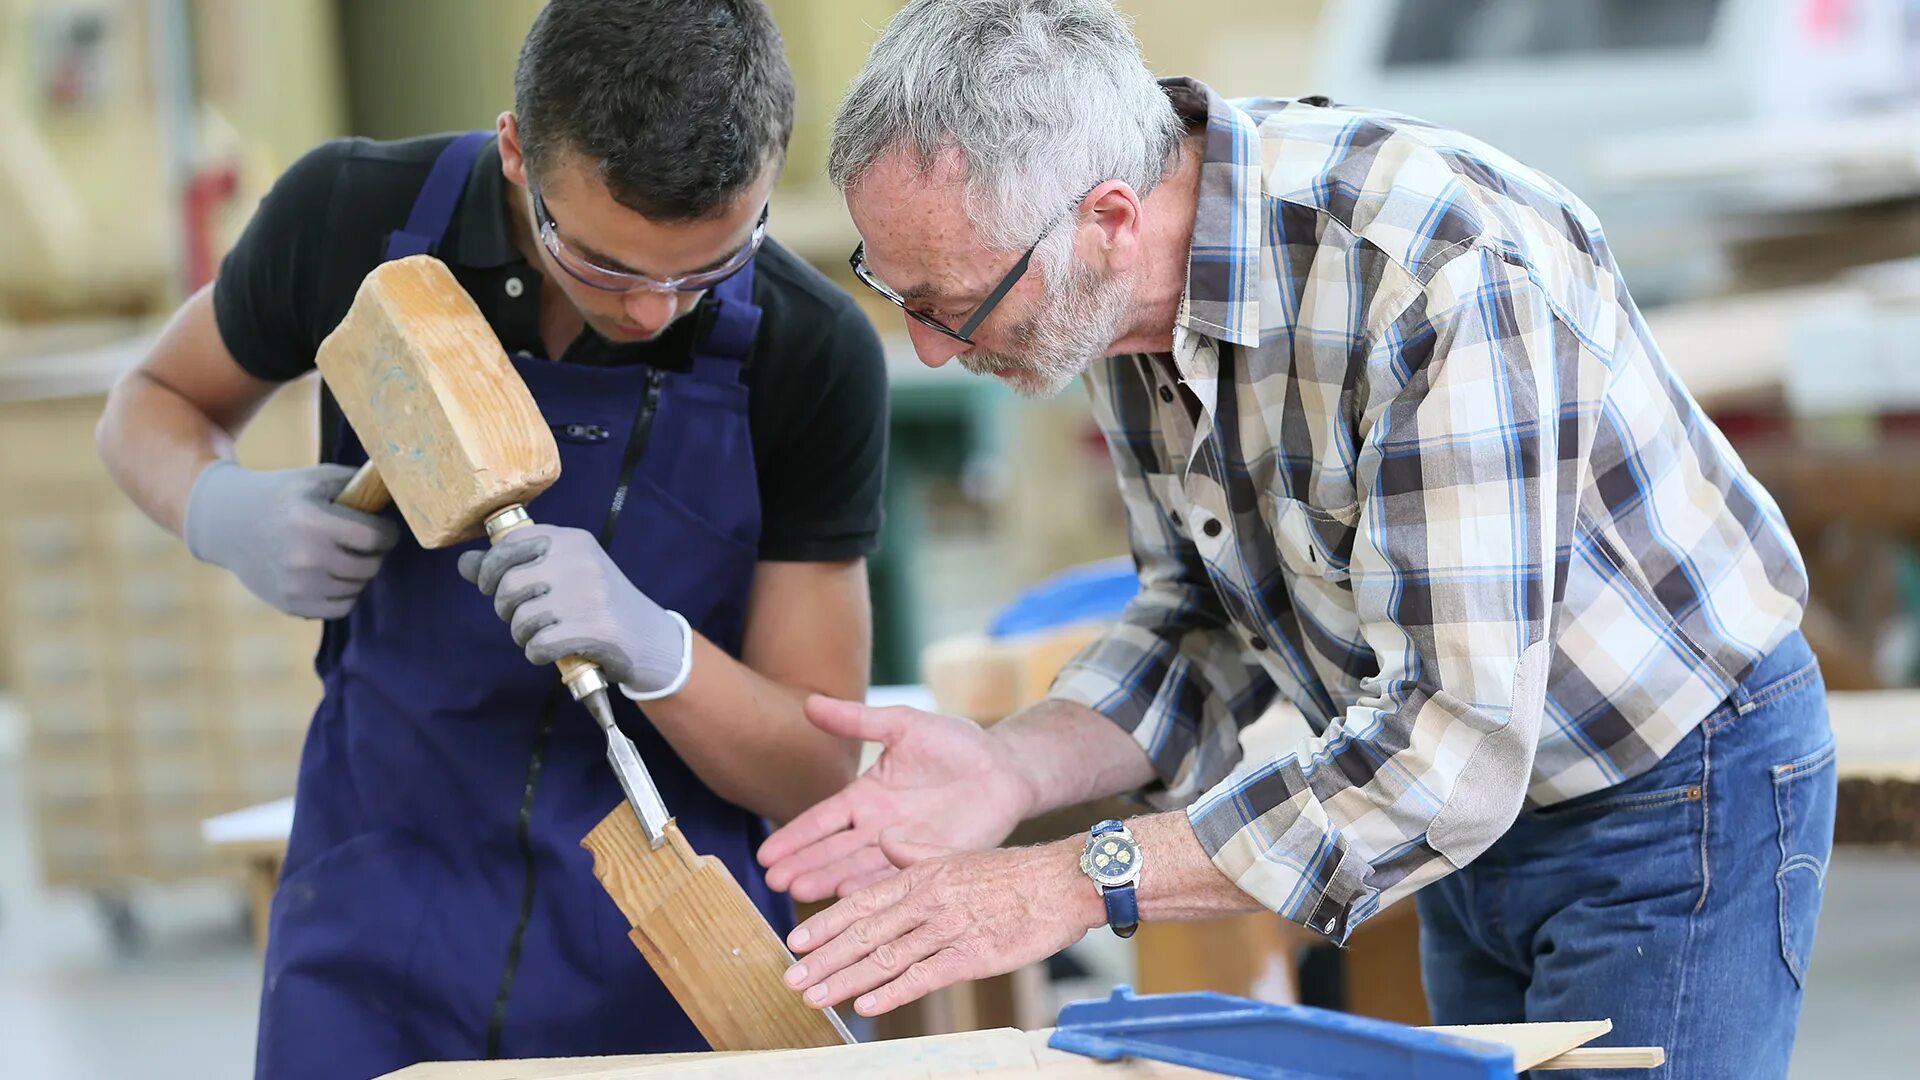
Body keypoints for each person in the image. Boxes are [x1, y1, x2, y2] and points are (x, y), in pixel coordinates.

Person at [756, 1, 1834, 1074]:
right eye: (897, 294)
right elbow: (1200, 618)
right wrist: (1012, 768)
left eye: (949, 305)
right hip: (1463, 811)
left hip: (1672, 785)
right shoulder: (1112, 295)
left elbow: (1446, 750)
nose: (931, 351)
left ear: (1110, 218)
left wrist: (1069, 881)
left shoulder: (1437, 273)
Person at [95, 1, 887, 1074]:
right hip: (380, 908)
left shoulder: (808, 351)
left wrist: (665, 655)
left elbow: (816, 769)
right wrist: (221, 511)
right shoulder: (352, 217)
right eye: (608, 267)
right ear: (516, 153)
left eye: (704, 268)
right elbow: (151, 404)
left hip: (662, 943)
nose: (654, 311)